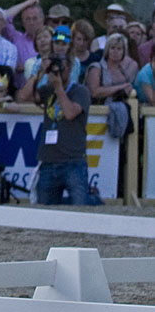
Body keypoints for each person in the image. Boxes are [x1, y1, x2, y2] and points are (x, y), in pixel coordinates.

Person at [33, 55, 92, 205]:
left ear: (70, 69)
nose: (58, 73)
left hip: (73, 161)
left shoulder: (81, 91)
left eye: (61, 69)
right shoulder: (48, 90)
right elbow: (23, 96)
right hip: (48, 160)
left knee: (80, 211)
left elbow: (70, 113)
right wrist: (39, 73)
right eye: (54, 70)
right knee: (45, 213)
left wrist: (58, 88)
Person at [86, 32, 137, 139]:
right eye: (112, 48)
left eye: (119, 49)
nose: (115, 52)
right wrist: (120, 87)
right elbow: (95, 92)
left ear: (124, 52)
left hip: (117, 118)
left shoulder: (124, 73)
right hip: (95, 117)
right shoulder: (96, 68)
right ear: (107, 50)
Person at [1, 0, 45, 87]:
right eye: (27, 19)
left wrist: (27, 67)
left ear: (42, 20)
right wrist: (28, 2)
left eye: (35, 18)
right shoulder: (16, 38)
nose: (31, 22)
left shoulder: (49, 40)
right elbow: (3, 17)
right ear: (23, 22)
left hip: (43, 90)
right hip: (19, 90)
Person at [14, 25, 58, 104]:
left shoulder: (62, 61)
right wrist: (41, 71)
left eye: (45, 36)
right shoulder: (35, 63)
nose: (42, 40)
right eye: (39, 38)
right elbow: (26, 92)